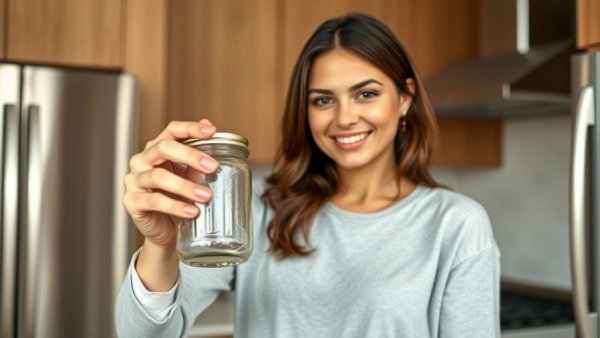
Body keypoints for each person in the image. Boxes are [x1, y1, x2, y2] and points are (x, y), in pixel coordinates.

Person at [116, 12, 500, 337]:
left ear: (404, 98)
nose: (345, 117)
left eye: (366, 94)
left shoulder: (455, 225)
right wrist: (161, 244)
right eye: (323, 100)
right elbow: (142, 333)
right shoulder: (260, 210)